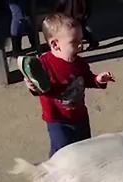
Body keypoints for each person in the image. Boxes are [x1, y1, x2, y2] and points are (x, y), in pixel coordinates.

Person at [20, 13, 115, 157]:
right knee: (62, 155)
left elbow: (87, 79)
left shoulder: (80, 63)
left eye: (81, 40)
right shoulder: (43, 64)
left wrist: (98, 80)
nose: (80, 45)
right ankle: (55, 175)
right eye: (74, 42)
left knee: (84, 151)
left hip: (80, 116)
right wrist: (32, 86)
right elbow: (39, 86)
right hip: (58, 121)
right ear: (55, 44)